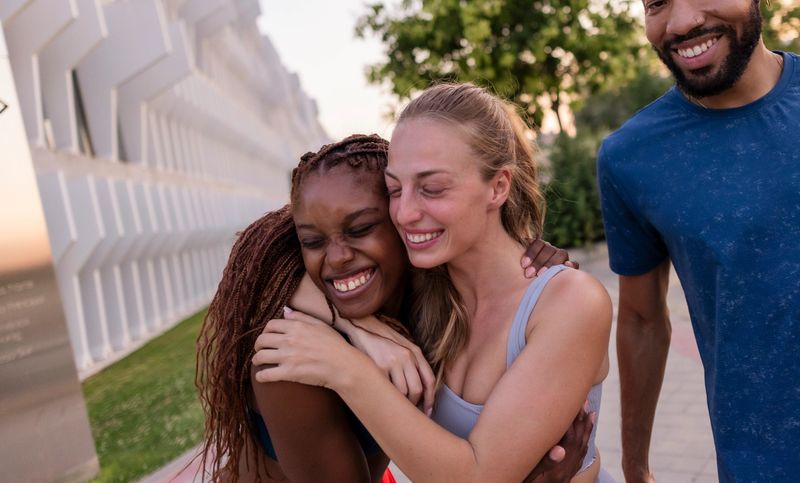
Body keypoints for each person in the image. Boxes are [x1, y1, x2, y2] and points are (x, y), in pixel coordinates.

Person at [253, 83, 614, 482]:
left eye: (432, 188)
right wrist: (361, 328)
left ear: (498, 187)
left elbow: (479, 476)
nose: (405, 213)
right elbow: (280, 268)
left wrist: (347, 368)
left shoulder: (569, 301)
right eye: (395, 189)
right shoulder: (422, 284)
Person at [594, 1, 800, 481]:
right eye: (656, 4)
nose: (682, 22)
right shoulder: (630, 157)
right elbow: (643, 321)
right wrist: (636, 466)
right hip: (760, 465)